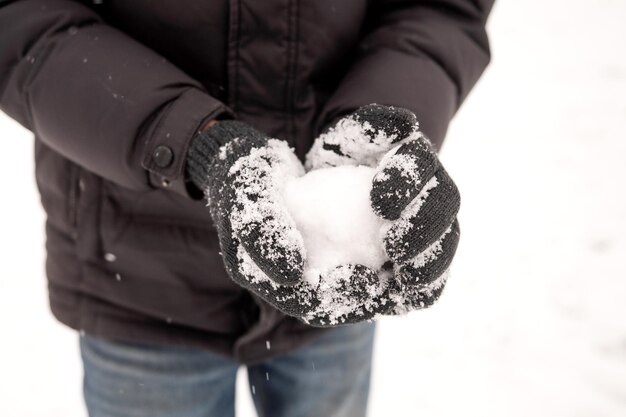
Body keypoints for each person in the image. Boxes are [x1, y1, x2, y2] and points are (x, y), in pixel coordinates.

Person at [0, 0, 493, 416]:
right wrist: (196, 144)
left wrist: (378, 136)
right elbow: (21, 17)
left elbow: (440, 8)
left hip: (336, 287)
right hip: (137, 272)